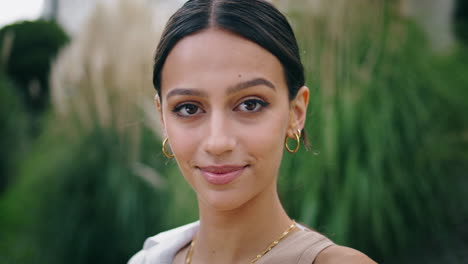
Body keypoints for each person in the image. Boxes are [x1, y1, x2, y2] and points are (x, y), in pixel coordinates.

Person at [129, 0, 376, 263]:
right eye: (189, 108)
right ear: (162, 117)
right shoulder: (149, 259)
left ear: (296, 113)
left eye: (250, 104)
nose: (217, 142)